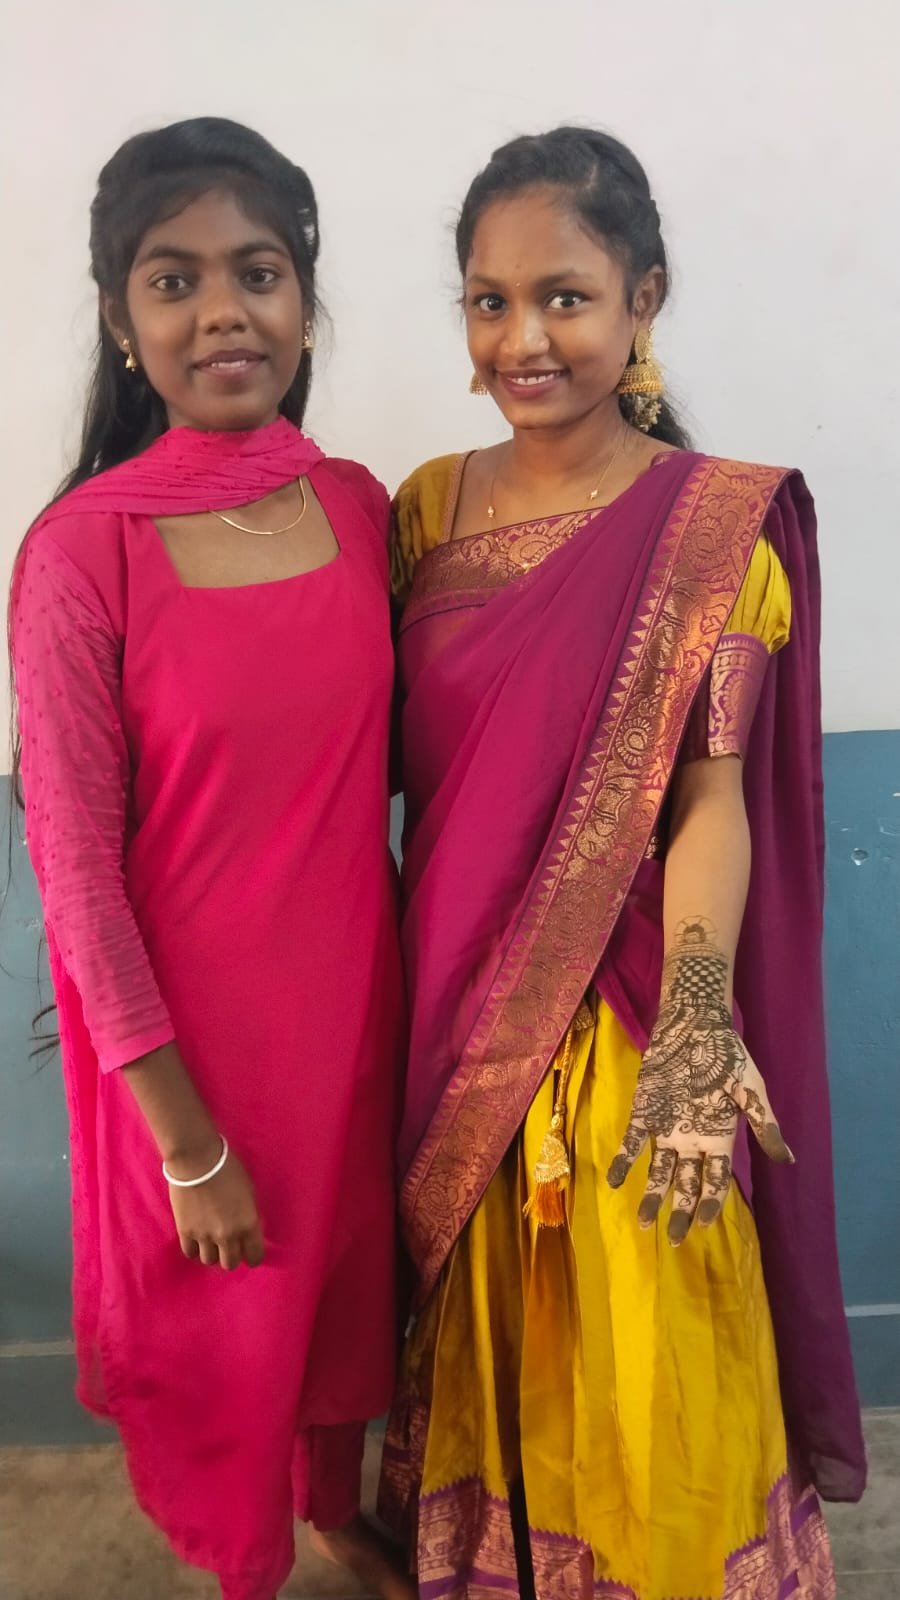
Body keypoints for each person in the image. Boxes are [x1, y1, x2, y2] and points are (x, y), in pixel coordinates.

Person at [377, 127, 866, 1600]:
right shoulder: (421, 512)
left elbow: (713, 802)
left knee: (658, 1360)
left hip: (635, 1020)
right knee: (495, 1372)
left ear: (644, 299)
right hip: (453, 1022)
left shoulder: (714, 533)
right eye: (489, 301)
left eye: (565, 298)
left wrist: (700, 1036)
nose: (522, 339)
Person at [9, 117, 413, 1600]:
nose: (223, 312)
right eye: (173, 281)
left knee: (347, 1306)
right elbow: (75, 871)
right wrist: (186, 1142)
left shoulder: (360, 506)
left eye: (259, 271)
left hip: (357, 1024)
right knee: (221, 1350)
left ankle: (333, 1513)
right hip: (191, 1062)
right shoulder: (82, 553)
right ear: (123, 323)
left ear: (305, 299)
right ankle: (241, 1565)